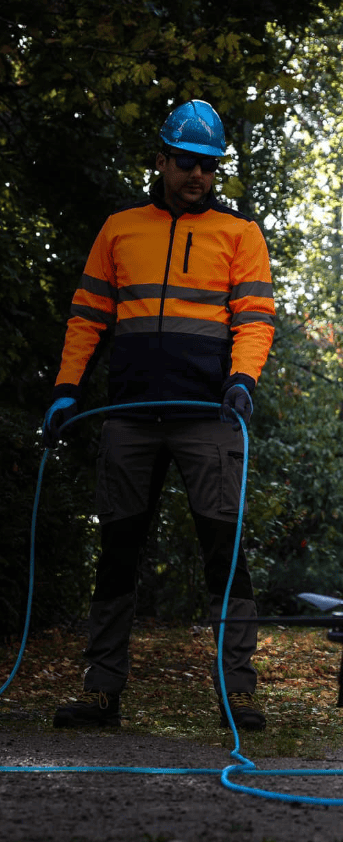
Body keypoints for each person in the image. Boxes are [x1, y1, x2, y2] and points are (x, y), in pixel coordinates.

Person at [42, 100, 275, 731]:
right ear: (162, 160)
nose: (197, 176)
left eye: (207, 166)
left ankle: (238, 690)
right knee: (117, 549)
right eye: (185, 164)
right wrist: (67, 389)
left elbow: (255, 321)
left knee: (223, 553)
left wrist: (242, 379)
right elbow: (87, 316)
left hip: (208, 417)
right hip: (130, 415)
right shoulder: (119, 229)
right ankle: (101, 689)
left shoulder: (240, 235)